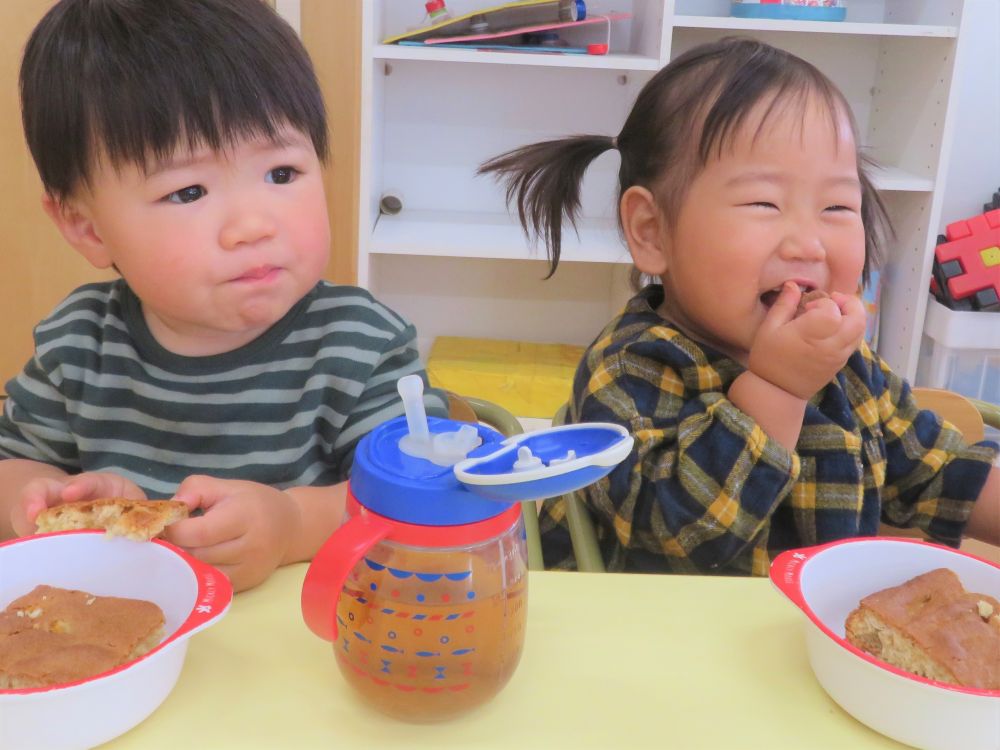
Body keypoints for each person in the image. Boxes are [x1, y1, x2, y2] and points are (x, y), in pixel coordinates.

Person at [479, 37, 1000, 574]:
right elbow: (676, 534)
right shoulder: (634, 365)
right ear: (652, 231)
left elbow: (943, 474)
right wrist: (778, 388)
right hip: (652, 643)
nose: (809, 243)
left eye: (837, 206)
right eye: (764, 203)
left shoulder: (847, 368)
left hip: (801, 644)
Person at [0, 0, 446, 591]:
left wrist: (293, 525)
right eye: (188, 191)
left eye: (282, 173)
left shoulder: (358, 343)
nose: (253, 226)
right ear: (88, 227)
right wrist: (46, 502)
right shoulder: (78, 345)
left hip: (300, 647)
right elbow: (15, 464)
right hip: (129, 639)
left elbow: (420, 488)